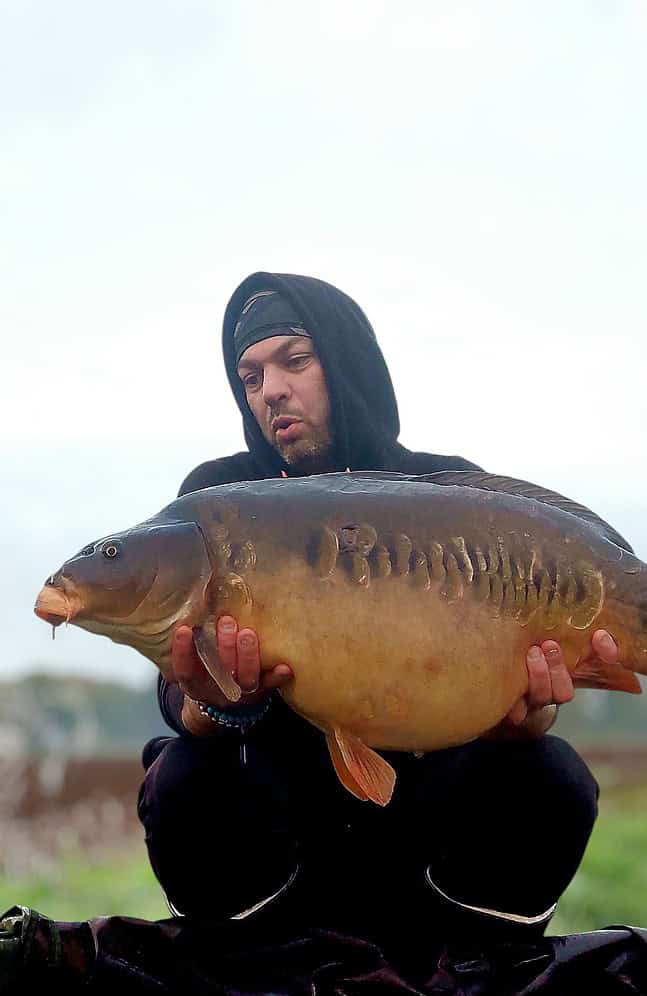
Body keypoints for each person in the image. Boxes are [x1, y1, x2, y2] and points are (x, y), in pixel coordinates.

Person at [138, 273, 618, 949]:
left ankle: (474, 965)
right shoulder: (219, 497)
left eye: (294, 361)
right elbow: (173, 685)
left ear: (348, 363)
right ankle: (245, 962)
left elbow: (514, 656)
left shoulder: (451, 492)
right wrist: (215, 704)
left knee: (549, 776)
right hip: (281, 836)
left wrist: (525, 713)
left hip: (426, 828)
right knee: (184, 775)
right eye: (249, 376)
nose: (270, 389)